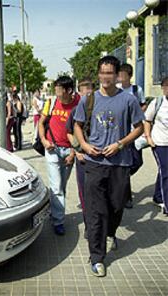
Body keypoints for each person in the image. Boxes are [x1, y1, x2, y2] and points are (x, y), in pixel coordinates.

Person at [74, 56, 144, 277]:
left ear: (117, 75)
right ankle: (97, 257)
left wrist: (120, 144)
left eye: (110, 73)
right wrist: (85, 145)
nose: (105, 77)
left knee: (116, 205)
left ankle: (111, 232)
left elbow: (140, 127)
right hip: (95, 163)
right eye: (102, 72)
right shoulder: (88, 100)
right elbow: (76, 125)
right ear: (99, 74)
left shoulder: (128, 100)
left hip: (119, 163)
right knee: (96, 212)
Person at [38, 76, 80, 236]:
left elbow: (81, 130)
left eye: (59, 90)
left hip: (69, 151)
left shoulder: (78, 104)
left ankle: (55, 210)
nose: (56, 93)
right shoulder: (51, 103)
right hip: (52, 150)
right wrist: (43, 140)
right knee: (56, 187)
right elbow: (41, 123)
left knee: (61, 186)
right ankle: (58, 221)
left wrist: (74, 152)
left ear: (69, 90)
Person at [66, 78, 94, 239]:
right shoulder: (76, 110)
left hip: (101, 159)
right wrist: (77, 150)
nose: (87, 95)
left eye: (89, 91)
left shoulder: (101, 107)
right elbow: (69, 131)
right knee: (84, 193)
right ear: (79, 93)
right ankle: (89, 226)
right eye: (84, 92)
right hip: (83, 158)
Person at [118, 63, 146, 208]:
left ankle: (120, 178)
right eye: (119, 74)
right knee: (126, 163)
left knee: (137, 162)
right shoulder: (116, 90)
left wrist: (138, 113)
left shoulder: (136, 90)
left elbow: (143, 104)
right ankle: (126, 197)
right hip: (122, 134)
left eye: (123, 74)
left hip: (135, 132)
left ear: (130, 75)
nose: (120, 77)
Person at [144, 76, 168, 215]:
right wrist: (148, 138)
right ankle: (166, 204)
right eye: (166, 87)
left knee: (163, 170)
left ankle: (158, 196)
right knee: (166, 171)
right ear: (163, 89)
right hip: (159, 143)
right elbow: (147, 120)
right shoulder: (157, 103)